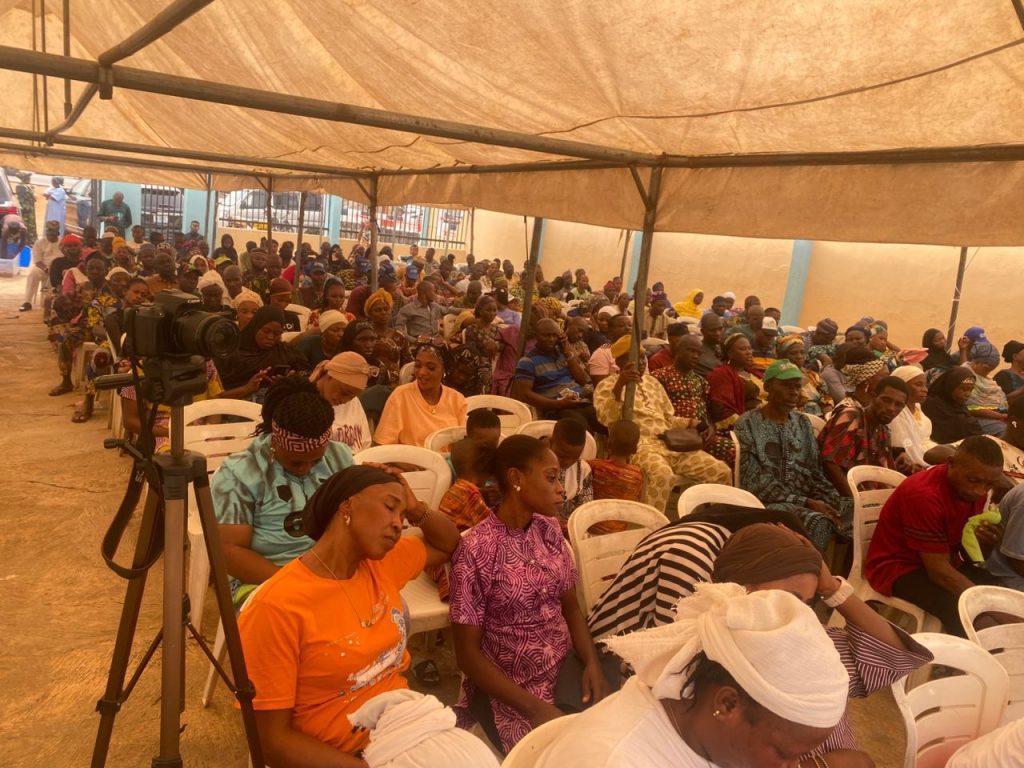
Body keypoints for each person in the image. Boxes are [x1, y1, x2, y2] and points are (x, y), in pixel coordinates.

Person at [238, 464, 464, 764]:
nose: (398, 524)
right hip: (342, 755)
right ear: (347, 504)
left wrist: (414, 506)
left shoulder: (382, 564)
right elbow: (270, 743)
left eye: (402, 516)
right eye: (390, 507)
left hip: (405, 728)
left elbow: (450, 543)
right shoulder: (276, 606)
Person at [537, 583, 849, 768]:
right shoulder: (612, 759)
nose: (792, 767)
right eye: (784, 754)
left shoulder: (699, 728)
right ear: (727, 705)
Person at [449, 435, 610, 754]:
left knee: (609, 740)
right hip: (511, 686)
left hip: (565, 670)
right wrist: (535, 709)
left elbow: (570, 608)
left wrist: (591, 663)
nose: (561, 488)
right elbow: (467, 655)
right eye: (551, 478)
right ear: (516, 478)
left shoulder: (549, 530)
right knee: (558, 755)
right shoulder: (476, 549)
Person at [213, 377, 355, 606]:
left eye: (316, 461)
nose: (306, 469)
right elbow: (229, 552)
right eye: (296, 462)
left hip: (330, 572)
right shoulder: (240, 473)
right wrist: (298, 584)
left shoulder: (339, 457)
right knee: (305, 620)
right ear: (275, 443)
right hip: (264, 580)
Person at [865, 436, 1008, 636]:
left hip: (941, 562)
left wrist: (985, 544)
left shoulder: (972, 489)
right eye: (973, 481)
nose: (980, 490)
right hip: (899, 568)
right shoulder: (925, 495)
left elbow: (965, 556)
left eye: (989, 484)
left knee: (1006, 597)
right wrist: (986, 604)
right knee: (978, 618)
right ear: (951, 464)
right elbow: (939, 572)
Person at [594, 335, 731, 513]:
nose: (641, 362)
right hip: (640, 447)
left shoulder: (653, 383)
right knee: (662, 475)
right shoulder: (607, 385)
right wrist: (620, 385)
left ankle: (710, 519)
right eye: (634, 358)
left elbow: (668, 419)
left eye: (642, 357)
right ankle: (651, 524)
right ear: (620, 362)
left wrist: (692, 422)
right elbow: (607, 419)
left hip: (671, 443)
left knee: (721, 471)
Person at [736, 359, 854, 550]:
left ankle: (846, 565)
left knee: (854, 508)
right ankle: (810, 566)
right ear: (768, 387)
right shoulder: (748, 423)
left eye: (797, 386)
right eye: (786, 385)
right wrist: (806, 502)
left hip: (806, 500)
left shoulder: (802, 422)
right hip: (767, 503)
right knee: (818, 522)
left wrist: (830, 498)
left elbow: (814, 471)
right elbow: (754, 482)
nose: (794, 392)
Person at [653, 334, 735, 465]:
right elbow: (655, 412)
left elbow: (708, 413)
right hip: (675, 435)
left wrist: (710, 429)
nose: (696, 356)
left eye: (699, 353)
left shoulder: (701, 381)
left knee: (736, 450)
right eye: (691, 351)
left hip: (701, 435)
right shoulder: (660, 377)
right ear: (678, 349)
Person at [819, 376, 907, 495]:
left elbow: (883, 473)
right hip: (833, 492)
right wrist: (856, 500)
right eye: (886, 400)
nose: (891, 408)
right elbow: (831, 464)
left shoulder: (883, 432)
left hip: (867, 494)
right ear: (873, 397)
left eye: (899, 405)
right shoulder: (851, 417)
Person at [511, 318, 599, 431]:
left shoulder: (564, 355)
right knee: (581, 429)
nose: (551, 339)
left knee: (610, 422)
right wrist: (559, 403)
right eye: (546, 336)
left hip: (580, 402)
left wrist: (568, 354)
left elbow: (582, 380)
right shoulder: (527, 361)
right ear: (536, 336)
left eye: (555, 335)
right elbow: (525, 394)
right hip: (556, 409)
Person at [374, 344, 468, 447]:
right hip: (409, 457)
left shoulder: (457, 399)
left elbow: (464, 444)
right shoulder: (400, 396)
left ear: (444, 370)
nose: (422, 372)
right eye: (418, 365)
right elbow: (383, 446)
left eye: (431, 368)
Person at [215, 306, 310, 399]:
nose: (270, 337)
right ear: (255, 327)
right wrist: (247, 389)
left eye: (277, 334)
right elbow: (214, 396)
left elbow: (306, 375)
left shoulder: (284, 350)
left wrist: (290, 381)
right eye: (266, 331)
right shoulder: (229, 353)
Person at [308, 351, 372, 453]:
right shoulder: (304, 405)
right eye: (344, 393)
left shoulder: (353, 402)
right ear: (329, 376)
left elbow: (365, 445)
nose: (345, 401)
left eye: (352, 397)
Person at [707, 333, 761, 430]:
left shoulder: (754, 372)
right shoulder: (721, 374)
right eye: (743, 349)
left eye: (749, 348)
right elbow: (721, 411)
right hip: (747, 425)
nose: (748, 352)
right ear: (729, 353)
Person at [548, 416, 594, 524]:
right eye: (562, 456)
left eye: (575, 457)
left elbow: (585, 508)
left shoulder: (584, 470)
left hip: (570, 525)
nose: (568, 462)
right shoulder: (538, 466)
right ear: (551, 443)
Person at [889, 365, 936, 468]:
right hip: (917, 459)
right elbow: (905, 448)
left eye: (925, 385)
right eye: (918, 384)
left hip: (927, 450)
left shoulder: (917, 408)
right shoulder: (897, 414)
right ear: (902, 386)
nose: (925, 390)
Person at [923, 366, 982, 443]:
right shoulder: (931, 404)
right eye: (964, 389)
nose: (968, 394)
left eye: (971, 390)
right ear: (950, 386)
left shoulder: (958, 405)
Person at [778, 333, 833, 416]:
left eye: (802, 352)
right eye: (793, 353)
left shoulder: (813, 376)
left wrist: (828, 416)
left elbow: (826, 399)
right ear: (782, 356)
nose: (799, 356)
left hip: (819, 418)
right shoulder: (779, 379)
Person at [461, 295, 502, 395]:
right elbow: (471, 352)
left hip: (496, 363)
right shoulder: (472, 330)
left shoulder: (497, 329)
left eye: (494, 310)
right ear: (479, 311)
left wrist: (496, 345)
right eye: (488, 310)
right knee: (486, 375)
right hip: (478, 365)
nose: (492, 313)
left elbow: (503, 346)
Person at [19, 219, 63, 313]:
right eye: (50, 233)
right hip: (43, 268)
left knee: (45, 303)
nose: (52, 236)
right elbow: (38, 261)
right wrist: (46, 269)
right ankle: (27, 302)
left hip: (58, 270)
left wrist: (55, 270)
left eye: (54, 234)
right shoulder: (39, 242)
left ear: (58, 233)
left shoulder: (62, 242)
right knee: (33, 273)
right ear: (47, 233)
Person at [966, 341, 1009, 436]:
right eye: (986, 369)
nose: (987, 373)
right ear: (976, 362)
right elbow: (971, 407)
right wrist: (1001, 416)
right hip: (975, 418)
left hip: (997, 416)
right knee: (1006, 432)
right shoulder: (965, 376)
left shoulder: (986, 380)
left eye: (990, 370)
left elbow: (1002, 401)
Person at [588, 313, 631, 387]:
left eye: (630, 325)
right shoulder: (601, 354)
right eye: (621, 325)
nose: (627, 328)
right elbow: (600, 388)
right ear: (610, 331)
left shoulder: (638, 351)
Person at [695, 311, 723, 377]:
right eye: (712, 330)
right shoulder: (699, 354)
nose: (718, 333)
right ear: (702, 332)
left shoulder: (722, 347)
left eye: (720, 329)